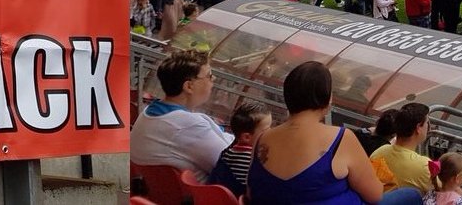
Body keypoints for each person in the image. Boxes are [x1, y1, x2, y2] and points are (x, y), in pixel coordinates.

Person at [248, 61, 382, 205]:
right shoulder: (342, 138)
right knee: (406, 195)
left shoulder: (261, 139)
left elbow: (250, 193)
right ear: (327, 98)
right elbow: (375, 195)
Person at [131, 49, 234, 180]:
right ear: (189, 86)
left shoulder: (150, 113)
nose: (213, 79)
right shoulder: (187, 125)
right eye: (209, 75)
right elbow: (232, 163)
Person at [210, 102, 272, 198]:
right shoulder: (248, 159)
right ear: (247, 137)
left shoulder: (228, 152)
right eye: (266, 130)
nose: (271, 132)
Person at [369, 103, 434, 193]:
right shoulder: (425, 166)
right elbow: (445, 191)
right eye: (427, 123)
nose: (429, 127)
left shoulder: (380, 151)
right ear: (418, 127)